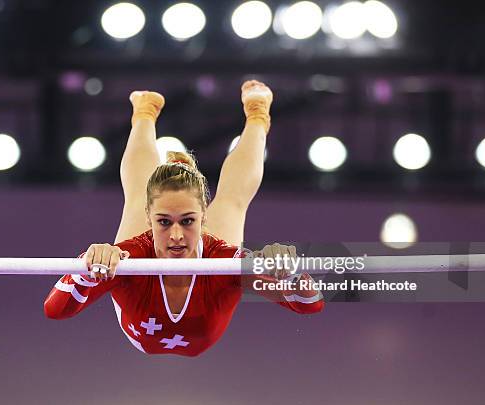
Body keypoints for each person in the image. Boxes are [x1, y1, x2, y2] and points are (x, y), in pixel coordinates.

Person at [44, 80, 324, 357]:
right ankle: (144, 111)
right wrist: (87, 267)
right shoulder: (129, 260)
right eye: (164, 222)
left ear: (204, 217)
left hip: (210, 266)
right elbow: (54, 311)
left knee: (232, 201)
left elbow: (309, 306)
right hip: (143, 260)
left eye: (188, 221)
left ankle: (258, 112)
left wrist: (291, 273)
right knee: (136, 197)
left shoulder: (226, 263)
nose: (176, 236)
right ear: (149, 218)